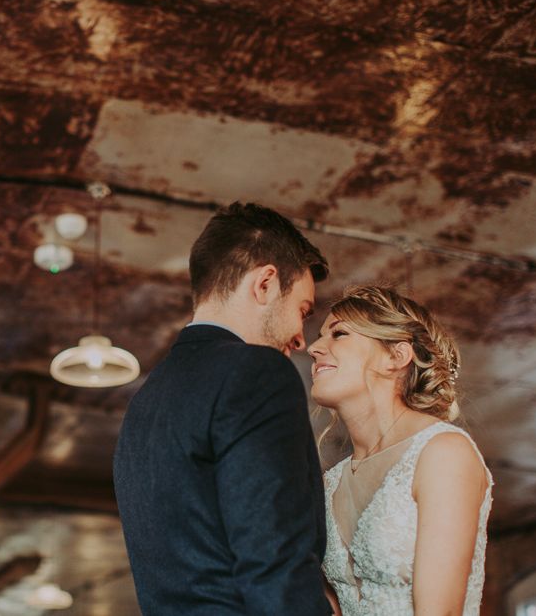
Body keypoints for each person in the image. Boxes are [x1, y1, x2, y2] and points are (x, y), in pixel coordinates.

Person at [114, 202, 333, 616]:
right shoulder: (258, 373)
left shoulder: (145, 401)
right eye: (302, 311)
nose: (301, 339)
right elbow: (275, 562)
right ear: (265, 283)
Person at [308, 285, 492, 616]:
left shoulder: (442, 453)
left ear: (397, 356)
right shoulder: (329, 482)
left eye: (339, 334)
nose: (314, 348)